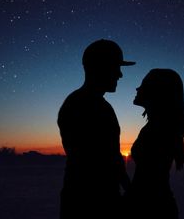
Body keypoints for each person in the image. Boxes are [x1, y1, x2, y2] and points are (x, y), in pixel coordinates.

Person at [57, 39, 135, 218]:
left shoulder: (89, 104)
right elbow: (101, 160)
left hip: (89, 200)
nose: (120, 75)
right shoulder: (87, 106)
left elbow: (111, 157)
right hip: (90, 204)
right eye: (117, 67)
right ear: (101, 68)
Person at [125, 68, 184, 219]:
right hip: (156, 206)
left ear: (157, 92)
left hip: (153, 209)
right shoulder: (159, 126)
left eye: (144, 84)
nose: (137, 88)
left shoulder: (159, 129)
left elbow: (148, 182)